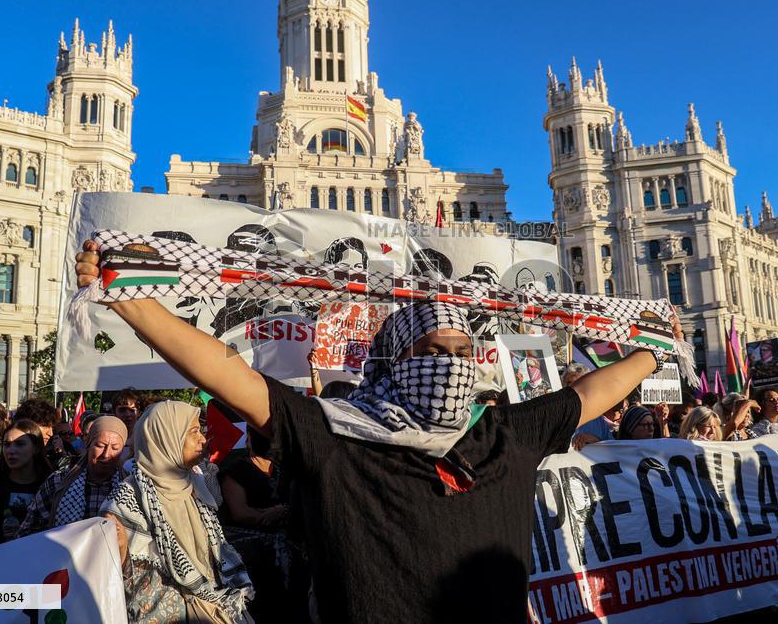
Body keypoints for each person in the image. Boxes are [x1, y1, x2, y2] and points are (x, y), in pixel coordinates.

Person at [78, 235, 683, 623]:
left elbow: (589, 394)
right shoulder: (337, 436)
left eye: (462, 351)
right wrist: (129, 299)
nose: (451, 364)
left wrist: (654, 354)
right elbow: (229, 375)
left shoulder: (505, 433)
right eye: (432, 350)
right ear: (394, 362)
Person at [102, 401, 254, 623]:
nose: (202, 439)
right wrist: (122, 550)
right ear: (167, 437)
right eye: (194, 431)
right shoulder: (128, 499)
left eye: (200, 430)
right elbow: (121, 575)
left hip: (215, 606)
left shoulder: (198, 484)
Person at [221, 428, 307, 623]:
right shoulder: (236, 471)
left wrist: (285, 511)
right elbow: (240, 512)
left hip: (295, 549)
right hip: (257, 557)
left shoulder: (286, 468)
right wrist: (266, 515)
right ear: (248, 440)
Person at [18, 416, 128, 537]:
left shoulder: (130, 488)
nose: (106, 454)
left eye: (115, 448)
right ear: (88, 445)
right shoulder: (58, 482)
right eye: (100, 445)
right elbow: (28, 531)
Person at [0, 419, 52, 548]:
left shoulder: (50, 486)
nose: (11, 450)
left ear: (35, 448)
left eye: (20, 444)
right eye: (7, 444)